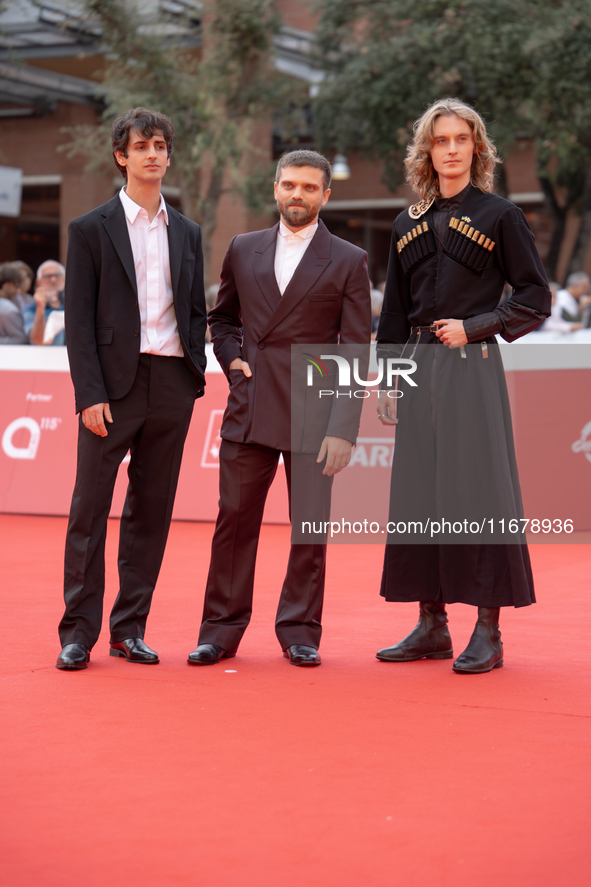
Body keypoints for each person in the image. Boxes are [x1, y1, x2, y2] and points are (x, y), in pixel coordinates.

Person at [375, 98, 551, 674]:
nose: (451, 149)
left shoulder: (501, 216)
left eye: (461, 139)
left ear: (476, 148)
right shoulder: (407, 222)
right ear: (428, 150)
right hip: (419, 370)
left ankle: (488, 630)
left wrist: (476, 327)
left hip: (471, 370)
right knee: (420, 495)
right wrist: (387, 379)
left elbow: (534, 298)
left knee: (478, 494)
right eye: (441, 140)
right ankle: (432, 625)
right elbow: (395, 315)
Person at [188, 149, 371, 667]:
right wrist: (233, 362)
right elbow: (220, 320)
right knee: (234, 521)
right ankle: (219, 631)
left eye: (310, 188)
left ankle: (299, 631)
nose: (298, 195)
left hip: (316, 411)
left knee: (310, 527)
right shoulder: (243, 248)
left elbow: (356, 350)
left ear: (325, 196)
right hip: (251, 404)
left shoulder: (349, 258)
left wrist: (344, 428)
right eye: (290, 185)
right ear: (275, 188)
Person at [56, 107, 207, 670]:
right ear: (122, 156)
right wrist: (88, 393)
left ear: (169, 155)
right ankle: (78, 633)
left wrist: (193, 374)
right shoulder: (90, 230)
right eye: (141, 146)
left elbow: (194, 309)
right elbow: (78, 322)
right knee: (89, 510)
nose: (152, 154)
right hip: (110, 392)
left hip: (171, 383)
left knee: (152, 513)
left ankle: (130, 628)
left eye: (160, 145)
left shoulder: (187, 231)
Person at [24, 260, 66, 345]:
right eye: (48, 276)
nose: (53, 279)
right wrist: (40, 307)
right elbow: (37, 341)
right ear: (39, 282)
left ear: (64, 280)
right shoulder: (32, 308)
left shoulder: (75, 303)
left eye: (57, 275)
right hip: (46, 357)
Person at [0, 263, 28, 344]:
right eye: (16, 285)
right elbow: (21, 340)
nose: (17, 290)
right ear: (6, 284)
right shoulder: (8, 310)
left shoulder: (13, 302)